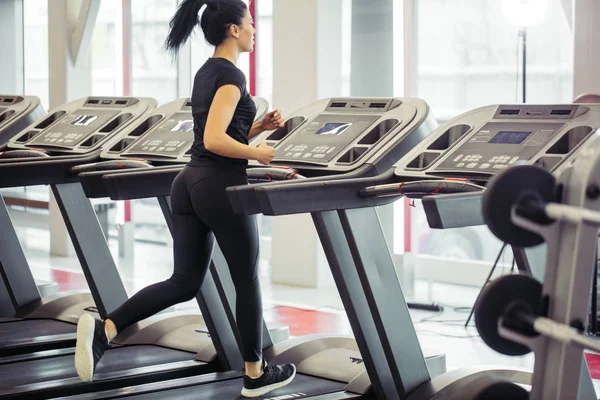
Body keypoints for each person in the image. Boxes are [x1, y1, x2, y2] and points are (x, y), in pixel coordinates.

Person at [73, 0, 297, 397]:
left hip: (189, 183)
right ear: (233, 29)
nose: (254, 30)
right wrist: (259, 153)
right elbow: (214, 140)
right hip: (220, 187)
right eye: (250, 22)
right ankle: (255, 374)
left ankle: (105, 329)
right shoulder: (232, 76)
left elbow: (218, 134)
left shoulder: (206, 71)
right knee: (245, 279)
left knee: (184, 281)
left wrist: (258, 126)